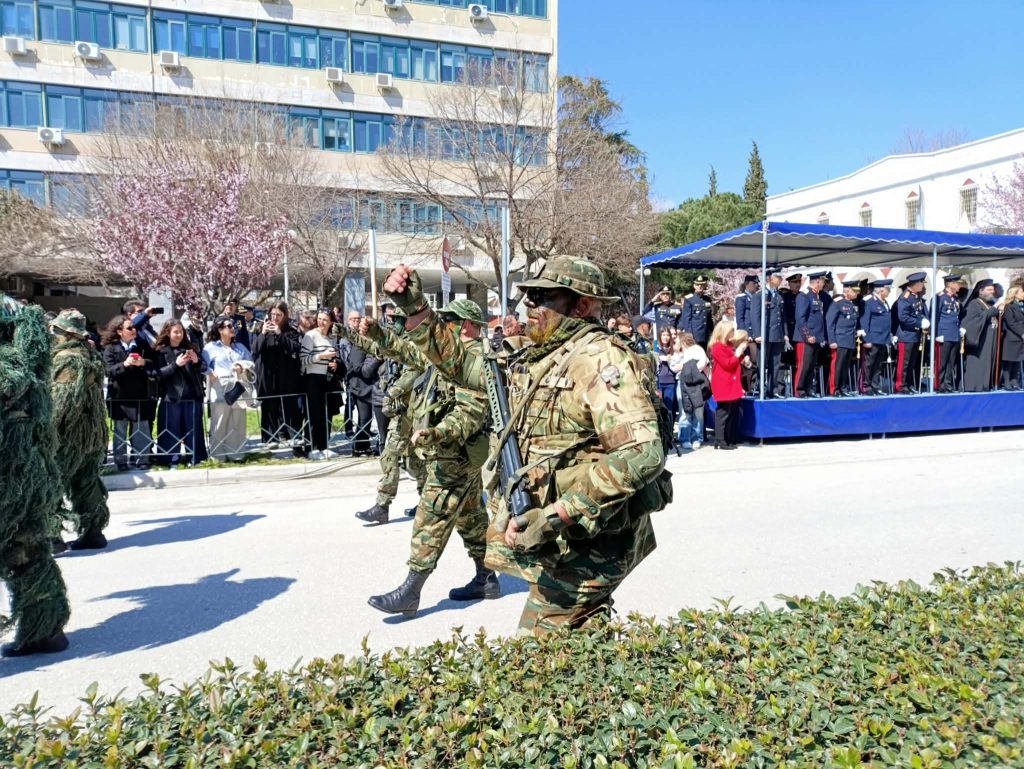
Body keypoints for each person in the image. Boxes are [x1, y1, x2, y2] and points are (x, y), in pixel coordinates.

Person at [380, 256, 668, 636]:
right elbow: (465, 366)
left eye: (541, 297)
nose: (528, 306)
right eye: (528, 296)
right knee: (579, 645)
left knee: (538, 650)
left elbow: (642, 454)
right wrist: (416, 309)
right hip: (563, 541)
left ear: (580, 306)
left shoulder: (598, 358)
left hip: (592, 541)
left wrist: (555, 517)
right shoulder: (542, 352)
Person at [365, 299, 497, 615]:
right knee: (471, 517)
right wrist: (376, 335)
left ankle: (411, 591)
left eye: (449, 320)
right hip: (453, 454)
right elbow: (409, 352)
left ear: (465, 324)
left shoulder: (474, 360)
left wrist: (439, 433)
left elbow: (470, 412)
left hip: (454, 453)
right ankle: (487, 577)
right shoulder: (448, 356)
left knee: (430, 517)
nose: (443, 324)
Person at [0, 293, 71, 657]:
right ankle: (45, 627)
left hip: (16, 471)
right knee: (27, 549)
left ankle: (44, 626)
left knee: (26, 548)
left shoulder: (14, 366)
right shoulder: (30, 363)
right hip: (28, 469)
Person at [48, 310, 110, 552]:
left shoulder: (68, 358)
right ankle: (93, 531)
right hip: (91, 433)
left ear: (68, 333)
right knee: (87, 481)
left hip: (69, 434)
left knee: (53, 480)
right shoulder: (89, 354)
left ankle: (51, 536)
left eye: (57, 331)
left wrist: (47, 430)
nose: (54, 335)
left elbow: (64, 401)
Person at [101, 314, 156, 470]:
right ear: (119, 331)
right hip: (120, 396)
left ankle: (142, 459)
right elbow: (108, 370)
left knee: (142, 427)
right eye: (130, 328)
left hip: (140, 394)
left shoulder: (141, 344)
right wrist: (124, 364)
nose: (134, 330)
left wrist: (143, 362)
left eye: (134, 327)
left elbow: (153, 361)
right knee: (120, 429)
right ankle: (121, 460)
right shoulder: (111, 348)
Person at [252, 302, 304, 453]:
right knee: (269, 408)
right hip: (268, 377)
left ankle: (295, 441)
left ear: (284, 316)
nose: (274, 318)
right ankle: (270, 440)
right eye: (272, 315)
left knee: (289, 409)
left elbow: (295, 348)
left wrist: (280, 333)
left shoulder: (290, 331)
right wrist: (263, 333)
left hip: (286, 376)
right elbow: (254, 350)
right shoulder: (261, 329)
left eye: (278, 315)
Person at [202, 316, 253, 462]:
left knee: (237, 420)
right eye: (229, 326)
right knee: (220, 420)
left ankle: (236, 454)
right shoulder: (210, 347)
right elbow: (201, 364)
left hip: (238, 385)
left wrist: (242, 366)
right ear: (220, 330)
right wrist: (210, 372)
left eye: (233, 326)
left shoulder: (240, 347)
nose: (233, 328)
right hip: (220, 386)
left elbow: (251, 362)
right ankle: (218, 456)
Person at [301, 309, 342, 460]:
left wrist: (335, 364)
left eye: (325, 319)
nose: (321, 322)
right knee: (314, 414)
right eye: (319, 319)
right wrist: (322, 356)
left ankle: (324, 446)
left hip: (328, 379)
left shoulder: (332, 338)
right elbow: (303, 360)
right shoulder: (310, 336)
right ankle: (312, 448)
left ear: (331, 321)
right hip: (313, 378)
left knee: (327, 413)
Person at [343, 312, 381, 457]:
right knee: (364, 417)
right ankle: (358, 447)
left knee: (367, 418)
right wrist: (375, 361)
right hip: (360, 385)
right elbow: (357, 366)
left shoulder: (370, 342)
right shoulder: (360, 342)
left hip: (367, 385)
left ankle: (362, 446)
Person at [709, 322, 748, 450]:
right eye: (731, 331)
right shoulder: (717, 347)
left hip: (731, 382)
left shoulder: (728, 346)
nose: (732, 333)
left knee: (731, 413)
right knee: (723, 413)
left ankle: (729, 438)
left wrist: (741, 356)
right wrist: (737, 353)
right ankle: (720, 440)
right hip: (723, 383)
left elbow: (734, 362)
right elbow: (727, 364)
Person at [892, 272, 930, 394]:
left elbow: (918, 312)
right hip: (906, 335)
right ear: (915, 284)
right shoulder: (905, 297)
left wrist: (923, 320)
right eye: (921, 284)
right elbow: (903, 317)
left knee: (912, 363)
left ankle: (908, 384)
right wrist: (919, 323)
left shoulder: (915, 296)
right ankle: (900, 385)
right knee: (904, 363)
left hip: (915, 335)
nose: (922, 287)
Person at [750, 268, 786, 398]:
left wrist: (785, 334)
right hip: (764, 335)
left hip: (776, 335)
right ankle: (761, 388)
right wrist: (757, 334)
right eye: (778, 277)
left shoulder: (779, 295)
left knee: (775, 364)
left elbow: (782, 318)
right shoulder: (759, 295)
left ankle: (773, 389)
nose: (780, 279)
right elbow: (755, 316)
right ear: (770, 278)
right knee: (762, 363)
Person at [793, 271, 828, 398]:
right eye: (823, 282)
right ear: (817, 282)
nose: (824, 285)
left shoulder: (816, 296)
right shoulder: (804, 296)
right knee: (803, 365)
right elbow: (800, 318)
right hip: (805, 338)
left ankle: (807, 389)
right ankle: (799, 390)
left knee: (811, 365)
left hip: (816, 337)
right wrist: (807, 335)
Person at [671, 332, 708, 450]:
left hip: (696, 383)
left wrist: (686, 368)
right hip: (681, 383)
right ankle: (685, 438)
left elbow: (703, 362)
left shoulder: (696, 349)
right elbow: (674, 367)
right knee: (685, 412)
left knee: (698, 412)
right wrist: (687, 366)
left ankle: (697, 438)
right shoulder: (678, 354)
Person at [962, 279, 1000, 392]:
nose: (991, 292)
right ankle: (974, 386)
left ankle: (984, 385)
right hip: (979, 340)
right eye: (989, 290)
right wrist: (993, 310)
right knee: (977, 364)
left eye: (992, 290)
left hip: (988, 339)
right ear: (980, 291)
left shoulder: (988, 304)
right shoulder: (974, 303)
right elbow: (972, 322)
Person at [826, 281, 863, 396]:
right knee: (838, 365)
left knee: (845, 365)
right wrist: (832, 340)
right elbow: (830, 322)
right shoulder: (838, 303)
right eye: (854, 291)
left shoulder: (852, 304)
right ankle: (835, 389)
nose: (857, 293)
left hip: (849, 339)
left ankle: (843, 387)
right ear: (847, 291)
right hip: (839, 339)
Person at [860, 279, 894, 395]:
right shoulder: (869, 301)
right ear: (881, 290)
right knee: (869, 364)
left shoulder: (883, 301)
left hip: (882, 338)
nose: (889, 292)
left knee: (878, 364)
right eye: (888, 289)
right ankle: (866, 386)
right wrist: (866, 339)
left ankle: (875, 386)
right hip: (872, 338)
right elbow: (864, 322)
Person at [932, 275, 964, 393]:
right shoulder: (939, 297)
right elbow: (935, 316)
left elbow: (956, 316)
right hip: (944, 334)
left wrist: (960, 328)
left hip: (953, 334)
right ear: (950, 284)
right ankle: (939, 385)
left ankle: (948, 384)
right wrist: (938, 333)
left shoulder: (955, 298)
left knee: (951, 362)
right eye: (957, 283)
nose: (959, 285)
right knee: (942, 362)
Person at [1000, 285, 1024, 390]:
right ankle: (1006, 381)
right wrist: (1022, 333)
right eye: (1022, 292)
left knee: (1017, 360)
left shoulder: (1022, 305)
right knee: (1009, 360)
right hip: (1012, 336)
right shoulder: (1009, 306)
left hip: (1020, 338)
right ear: (1015, 294)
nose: (1023, 294)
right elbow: (1011, 323)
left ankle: (1014, 380)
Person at [680, 276, 714, 348]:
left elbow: (709, 318)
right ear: (694, 286)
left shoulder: (707, 299)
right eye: (697, 285)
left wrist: (712, 332)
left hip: (706, 335)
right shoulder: (689, 299)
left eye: (702, 285)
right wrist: (689, 336)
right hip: (695, 336)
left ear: (704, 285)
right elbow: (686, 320)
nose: (700, 286)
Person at [655, 326, 678, 423]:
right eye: (663, 335)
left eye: (668, 335)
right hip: (658, 381)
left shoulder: (674, 348)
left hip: (670, 381)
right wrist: (661, 358)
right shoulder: (655, 346)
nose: (666, 337)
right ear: (660, 336)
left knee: (669, 408)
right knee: (659, 408)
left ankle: (669, 433)